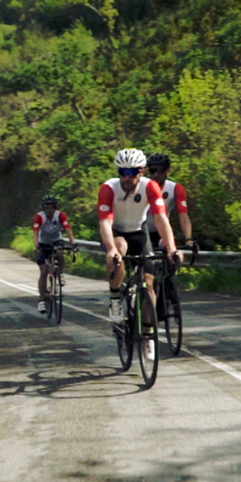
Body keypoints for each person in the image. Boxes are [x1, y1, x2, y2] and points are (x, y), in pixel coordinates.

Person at [98, 148, 183, 359]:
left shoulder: (150, 187)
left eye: (133, 171)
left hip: (139, 232)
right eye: (123, 171)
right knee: (119, 251)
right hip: (116, 233)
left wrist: (172, 248)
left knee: (149, 283)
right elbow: (105, 222)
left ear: (142, 171)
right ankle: (116, 299)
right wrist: (110, 250)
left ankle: (148, 334)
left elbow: (162, 219)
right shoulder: (109, 188)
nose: (127, 177)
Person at [32, 195, 76, 314]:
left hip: (57, 240)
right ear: (44, 209)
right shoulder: (39, 217)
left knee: (60, 252)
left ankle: (60, 273)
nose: (49, 210)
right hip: (43, 243)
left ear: (55, 208)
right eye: (46, 208)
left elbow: (68, 229)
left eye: (51, 208)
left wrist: (73, 242)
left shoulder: (61, 215)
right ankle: (41, 300)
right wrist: (37, 246)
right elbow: (35, 233)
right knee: (44, 272)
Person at [144, 153, 194, 251]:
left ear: (168, 171)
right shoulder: (142, 187)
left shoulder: (175, 189)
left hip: (160, 232)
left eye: (161, 170)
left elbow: (183, 216)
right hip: (141, 231)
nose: (156, 175)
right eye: (152, 171)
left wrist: (189, 239)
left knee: (170, 249)